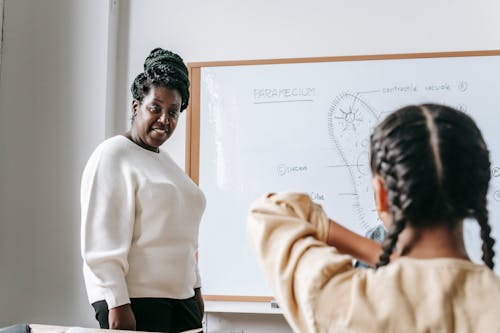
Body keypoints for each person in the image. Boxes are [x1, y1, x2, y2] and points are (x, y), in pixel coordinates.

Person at [248, 104, 500, 332]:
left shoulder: (342, 302)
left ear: (381, 194)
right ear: (476, 193)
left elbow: (272, 211)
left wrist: (381, 254)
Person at [81, 48, 205, 333]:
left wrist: (196, 289)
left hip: (182, 301)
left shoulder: (166, 164)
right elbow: (100, 241)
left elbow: (181, 238)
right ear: (136, 106)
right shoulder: (113, 155)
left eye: (173, 112)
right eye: (155, 108)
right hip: (136, 302)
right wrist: (116, 304)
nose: (165, 119)